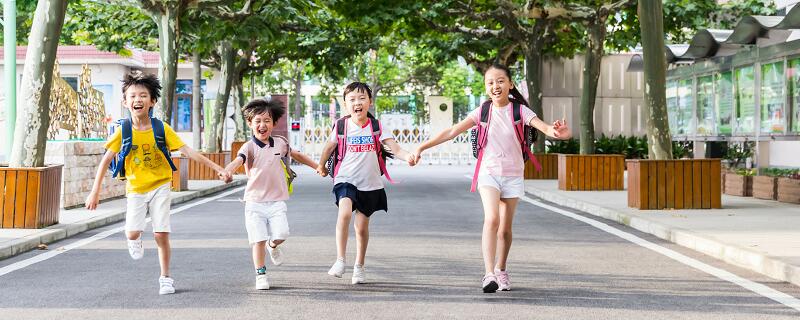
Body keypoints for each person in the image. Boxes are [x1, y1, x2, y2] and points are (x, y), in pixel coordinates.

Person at [413, 64, 571, 293]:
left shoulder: (520, 111)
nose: (495, 86)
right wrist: (422, 147)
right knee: (492, 219)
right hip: (488, 173)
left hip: (513, 175)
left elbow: (545, 128)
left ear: (510, 84)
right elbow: (451, 132)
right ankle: (488, 274)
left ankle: (501, 269)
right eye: (490, 82)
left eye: (500, 81)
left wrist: (557, 132)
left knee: (505, 230)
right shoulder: (482, 112)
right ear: (486, 87)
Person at [85, 71, 231, 295]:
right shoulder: (123, 131)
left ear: (152, 101)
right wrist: (94, 193)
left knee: (161, 233)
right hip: (135, 189)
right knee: (131, 233)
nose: (137, 100)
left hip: (161, 185)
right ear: (125, 102)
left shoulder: (161, 129)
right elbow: (105, 161)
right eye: (132, 96)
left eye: (143, 96)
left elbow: (188, 151)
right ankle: (135, 240)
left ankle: (165, 277)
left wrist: (218, 169)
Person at [316, 82, 416, 284]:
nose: (357, 103)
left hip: (369, 184)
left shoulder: (377, 127)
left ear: (370, 102)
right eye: (352, 99)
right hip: (345, 179)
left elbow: (395, 149)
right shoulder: (341, 126)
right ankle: (340, 260)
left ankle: (359, 266)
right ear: (345, 104)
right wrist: (321, 165)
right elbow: (329, 147)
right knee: (344, 213)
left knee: (361, 228)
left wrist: (409, 157)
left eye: (361, 98)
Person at [222, 99, 318, 290]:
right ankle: (261, 275)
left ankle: (273, 246)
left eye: (267, 120)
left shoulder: (280, 143)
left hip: (276, 201)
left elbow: (297, 155)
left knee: (282, 233)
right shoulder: (248, 147)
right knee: (257, 240)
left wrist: (317, 167)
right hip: (254, 203)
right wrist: (228, 171)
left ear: (273, 123)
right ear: (250, 123)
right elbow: (237, 161)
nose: (262, 125)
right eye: (257, 121)